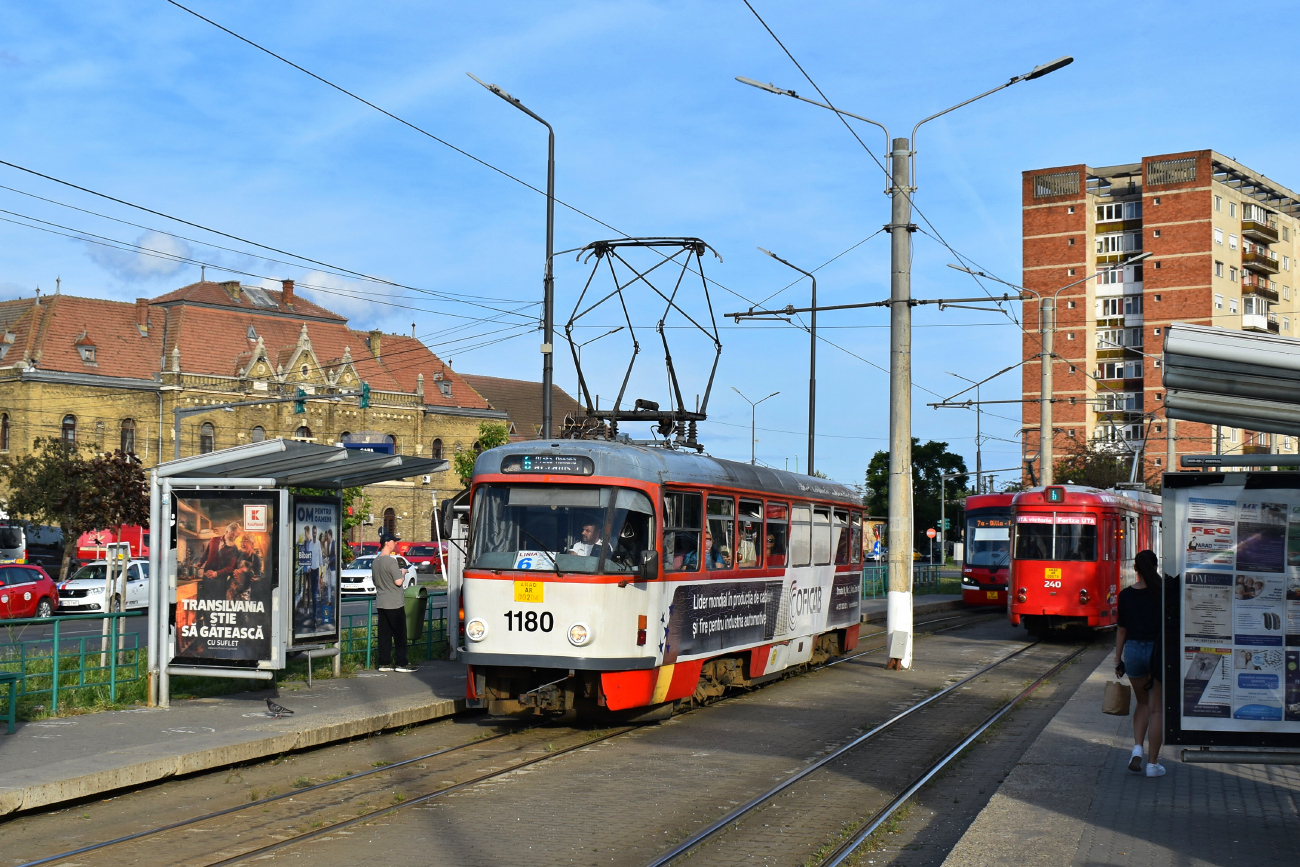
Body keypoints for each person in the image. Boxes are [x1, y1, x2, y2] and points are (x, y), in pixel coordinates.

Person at [1116, 549, 1165, 777]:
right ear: (1155, 566)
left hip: (1134, 652)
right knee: (1156, 709)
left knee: (1142, 704)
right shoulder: (1163, 592)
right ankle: (1153, 765)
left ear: (1135, 568)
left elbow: (1122, 630)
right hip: (1157, 653)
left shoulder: (1125, 595)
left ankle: (1137, 749)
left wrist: (1118, 659)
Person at [373, 531, 415, 672]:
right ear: (387, 542)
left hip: (381, 601)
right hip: (395, 602)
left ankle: (384, 662)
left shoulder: (376, 561)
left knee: (384, 634)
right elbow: (398, 582)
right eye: (394, 541)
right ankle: (401, 662)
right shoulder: (391, 561)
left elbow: (375, 581)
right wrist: (402, 573)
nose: (396, 543)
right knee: (399, 634)